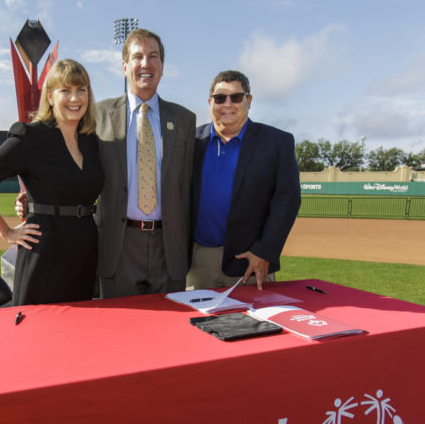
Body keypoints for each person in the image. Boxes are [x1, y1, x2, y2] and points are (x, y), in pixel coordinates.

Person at [0, 59, 103, 306]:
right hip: (44, 249)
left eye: (81, 90)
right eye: (65, 90)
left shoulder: (91, 141)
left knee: (79, 323)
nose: (75, 98)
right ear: (50, 96)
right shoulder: (31, 137)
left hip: (84, 249)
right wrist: (6, 232)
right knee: (38, 324)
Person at [94, 28, 196, 298]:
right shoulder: (98, 114)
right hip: (118, 245)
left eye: (153, 56)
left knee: (170, 322)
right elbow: (76, 167)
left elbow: (188, 185)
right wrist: (32, 197)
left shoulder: (184, 120)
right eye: (137, 57)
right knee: (119, 323)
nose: (145, 63)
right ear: (124, 66)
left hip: (169, 246)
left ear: (162, 66)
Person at [187, 70, 301, 291]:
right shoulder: (190, 141)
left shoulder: (277, 142)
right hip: (197, 261)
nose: (228, 104)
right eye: (220, 98)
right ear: (210, 102)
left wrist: (265, 251)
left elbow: (288, 201)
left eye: (236, 97)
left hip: (249, 261)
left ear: (248, 101)